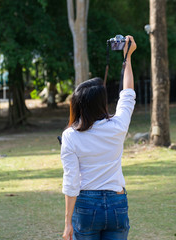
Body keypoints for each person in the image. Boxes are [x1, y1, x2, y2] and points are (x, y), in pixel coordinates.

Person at [61, 35, 137, 240]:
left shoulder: (70, 136)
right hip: (117, 203)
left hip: (86, 205)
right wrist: (127, 58)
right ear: (101, 103)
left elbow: (71, 182)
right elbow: (128, 93)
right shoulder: (117, 126)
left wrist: (68, 224)